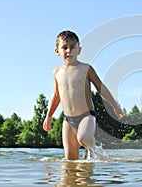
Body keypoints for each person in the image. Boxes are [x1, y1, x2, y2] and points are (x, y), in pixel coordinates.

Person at [43, 30, 124, 160]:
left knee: (83, 138)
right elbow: (56, 96)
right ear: (57, 51)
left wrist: (115, 106)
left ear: (79, 50)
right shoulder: (56, 72)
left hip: (86, 116)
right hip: (68, 120)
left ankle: (93, 149)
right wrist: (49, 115)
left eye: (73, 47)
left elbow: (100, 88)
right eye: (64, 47)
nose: (69, 51)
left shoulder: (86, 69)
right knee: (70, 159)